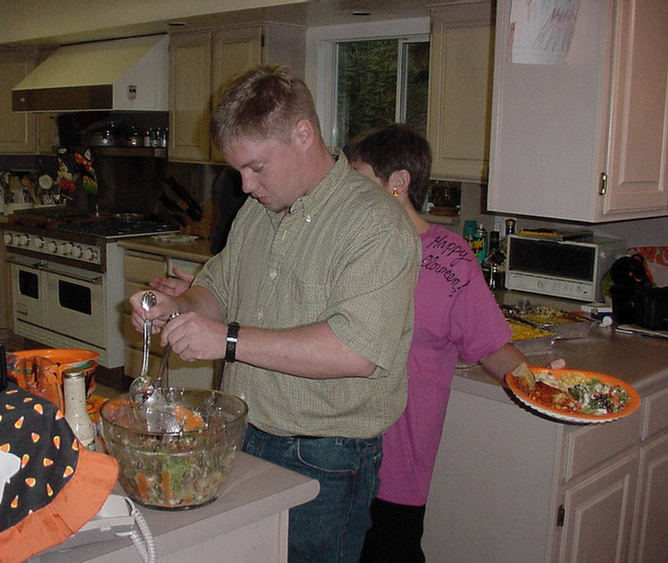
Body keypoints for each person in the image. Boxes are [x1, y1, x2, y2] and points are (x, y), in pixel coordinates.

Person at [130, 65, 419, 563]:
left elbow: (354, 351)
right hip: (243, 434)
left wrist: (227, 340)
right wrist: (179, 309)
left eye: (257, 167)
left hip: (325, 456)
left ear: (303, 135)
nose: (245, 184)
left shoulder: (375, 223)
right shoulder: (260, 211)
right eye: (239, 169)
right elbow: (218, 288)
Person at [343, 124, 562, 563]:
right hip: (334, 451)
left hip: (401, 461)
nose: (345, 191)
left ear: (397, 184)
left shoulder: (452, 258)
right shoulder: (347, 246)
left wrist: (538, 386)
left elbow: (492, 346)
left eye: (356, 178)